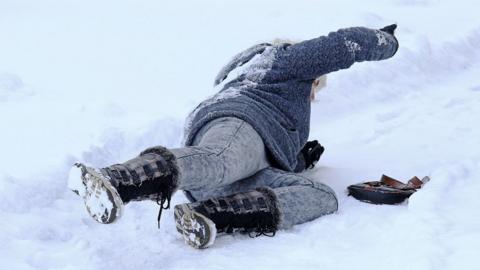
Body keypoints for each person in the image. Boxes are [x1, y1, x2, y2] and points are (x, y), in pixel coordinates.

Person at [68, 24, 399, 249]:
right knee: (220, 159)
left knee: (321, 196)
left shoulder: (277, 96)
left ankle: (213, 215)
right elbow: (339, 46)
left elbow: (262, 158)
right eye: (316, 85)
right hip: (239, 123)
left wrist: (299, 161)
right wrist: (383, 42)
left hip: (214, 181)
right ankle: (119, 179)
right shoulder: (282, 60)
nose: (313, 94)